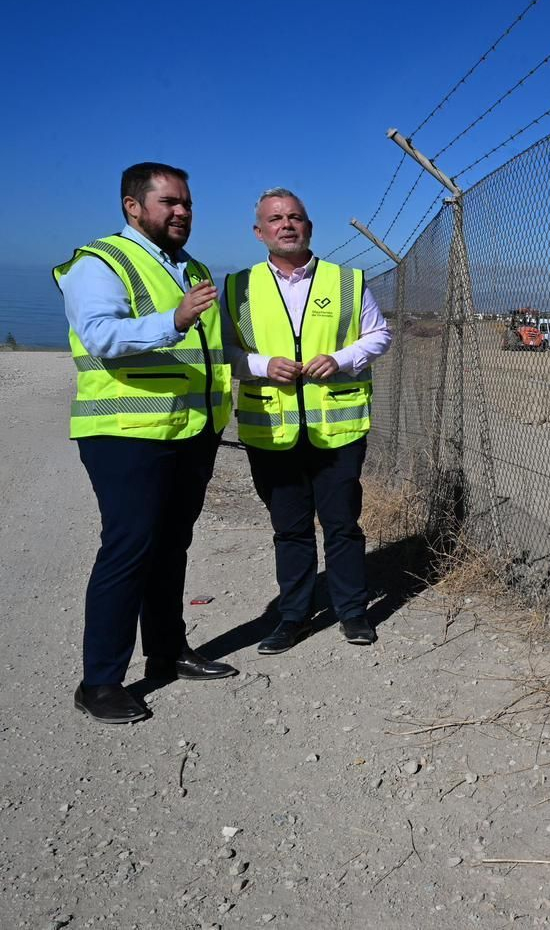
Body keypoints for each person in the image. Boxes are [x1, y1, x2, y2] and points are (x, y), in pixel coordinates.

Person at [54, 162, 238, 724]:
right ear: (132, 206)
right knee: (129, 548)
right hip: (125, 433)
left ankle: (167, 650)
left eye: (187, 203)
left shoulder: (191, 267)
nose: (182, 211)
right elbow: (100, 336)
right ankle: (100, 682)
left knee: (171, 545)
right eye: (169, 202)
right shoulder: (100, 261)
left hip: (190, 431)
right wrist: (172, 320)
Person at [224, 188, 392, 653]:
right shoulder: (237, 286)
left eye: (295, 217)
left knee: (342, 525)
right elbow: (224, 351)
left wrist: (340, 359)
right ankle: (293, 617)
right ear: (259, 232)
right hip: (271, 430)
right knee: (290, 529)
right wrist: (262, 365)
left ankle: (352, 612)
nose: (286, 224)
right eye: (275, 219)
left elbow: (379, 334)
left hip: (337, 429)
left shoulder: (347, 280)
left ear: (309, 227)